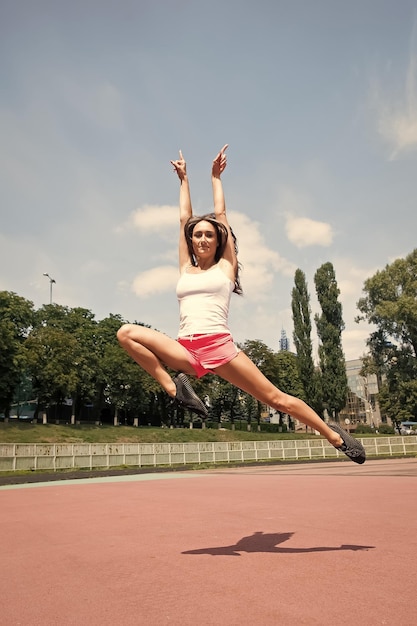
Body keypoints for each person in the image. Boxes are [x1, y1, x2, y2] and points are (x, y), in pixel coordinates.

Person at [117, 145, 366, 464]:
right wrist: (183, 180)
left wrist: (215, 178)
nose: (202, 239)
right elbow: (183, 219)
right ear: (191, 241)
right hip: (186, 349)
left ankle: (333, 435)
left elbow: (221, 216)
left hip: (219, 347)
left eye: (208, 235)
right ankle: (175, 389)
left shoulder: (225, 267)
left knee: (277, 399)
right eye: (197, 236)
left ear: (218, 240)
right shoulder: (185, 267)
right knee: (125, 333)